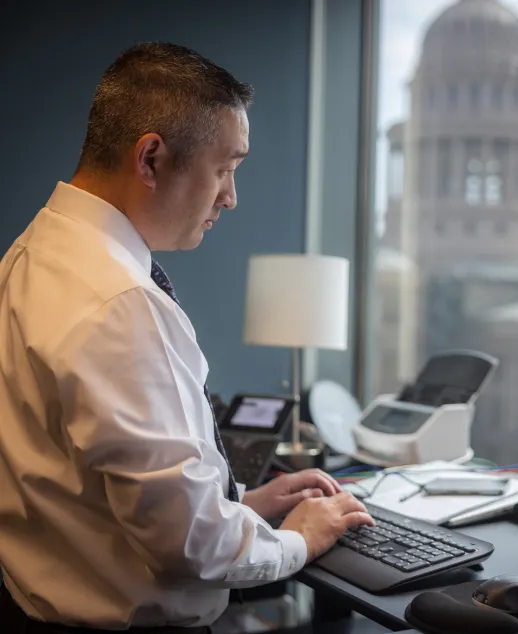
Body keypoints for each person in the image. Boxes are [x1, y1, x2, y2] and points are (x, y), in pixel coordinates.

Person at [0, 42, 374, 633]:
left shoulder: (31, 255)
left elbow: (85, 484)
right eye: (224, 168)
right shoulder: (119, 304)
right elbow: (192, 547)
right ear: (150, 159)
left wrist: (240, 505)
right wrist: (299, 541)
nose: (230, 196)